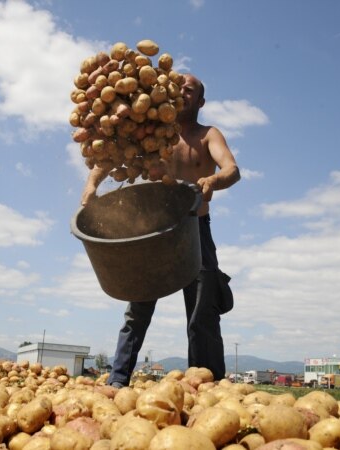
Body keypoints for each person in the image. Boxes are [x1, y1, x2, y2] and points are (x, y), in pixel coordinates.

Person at [80, 74, 241, 387]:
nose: (182, 91)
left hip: (194, 226)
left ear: (200, 102)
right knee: (137, 308)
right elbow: (111, 156)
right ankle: (117, 381)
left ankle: (205, 385)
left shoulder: (208, 135)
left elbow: (232, 170)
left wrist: (212, 181)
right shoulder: (150, 131)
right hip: (152, 229)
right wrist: (90, 186)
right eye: (178, 87)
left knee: (202, 311)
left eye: (190, 90)